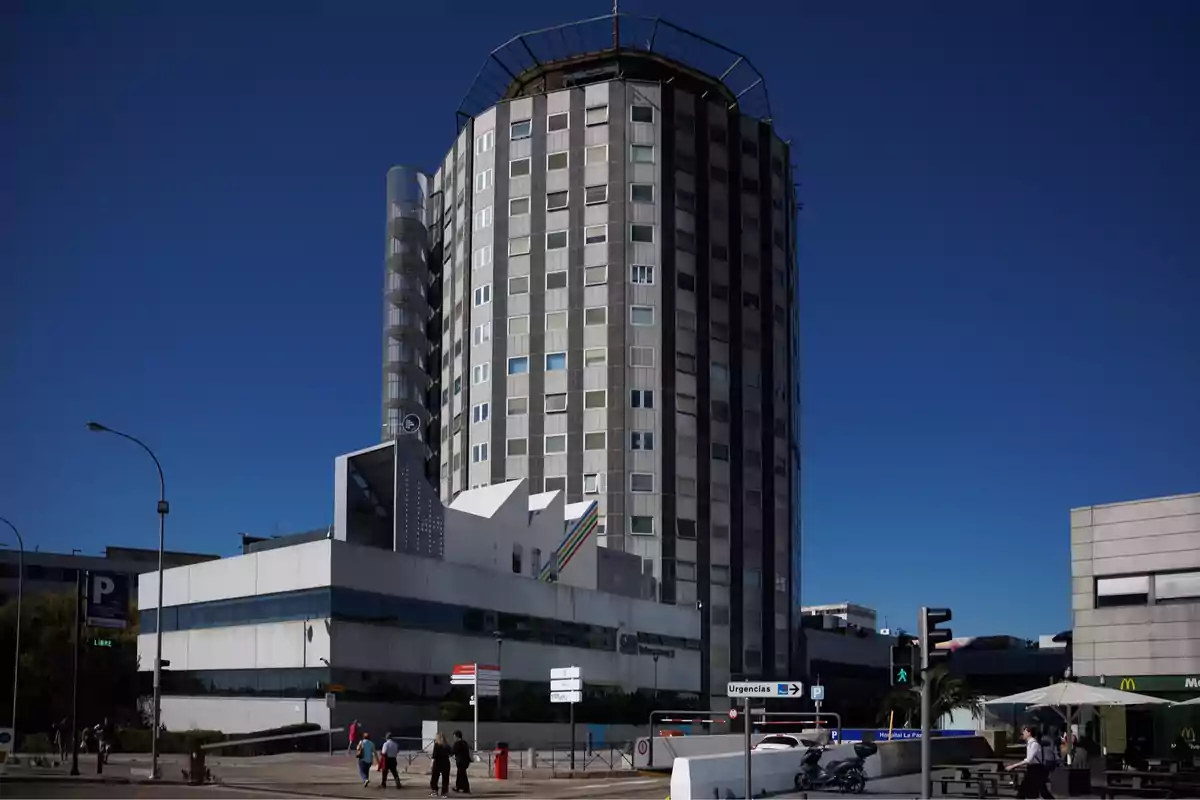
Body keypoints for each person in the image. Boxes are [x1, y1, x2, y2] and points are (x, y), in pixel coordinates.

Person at [1007, 724, 1053, 799]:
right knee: (1043, 792)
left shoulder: (1034, 744)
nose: (1023, 733)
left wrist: (1013, 766)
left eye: (1024, 731)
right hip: (1033, 769)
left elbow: (1029, 759)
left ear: (1029, 733)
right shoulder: (1030, 744)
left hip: (1036, 770)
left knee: (1023, 791)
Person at [430, 732, 451, 798]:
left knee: (434, 778)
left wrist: (431, 764)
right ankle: (444, 793)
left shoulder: (436, 745)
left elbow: (434, 755)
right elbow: (451, 753)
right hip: (446, 763)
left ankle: (435, 791)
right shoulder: (447, 745)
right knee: (445, 778)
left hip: (437, 763)